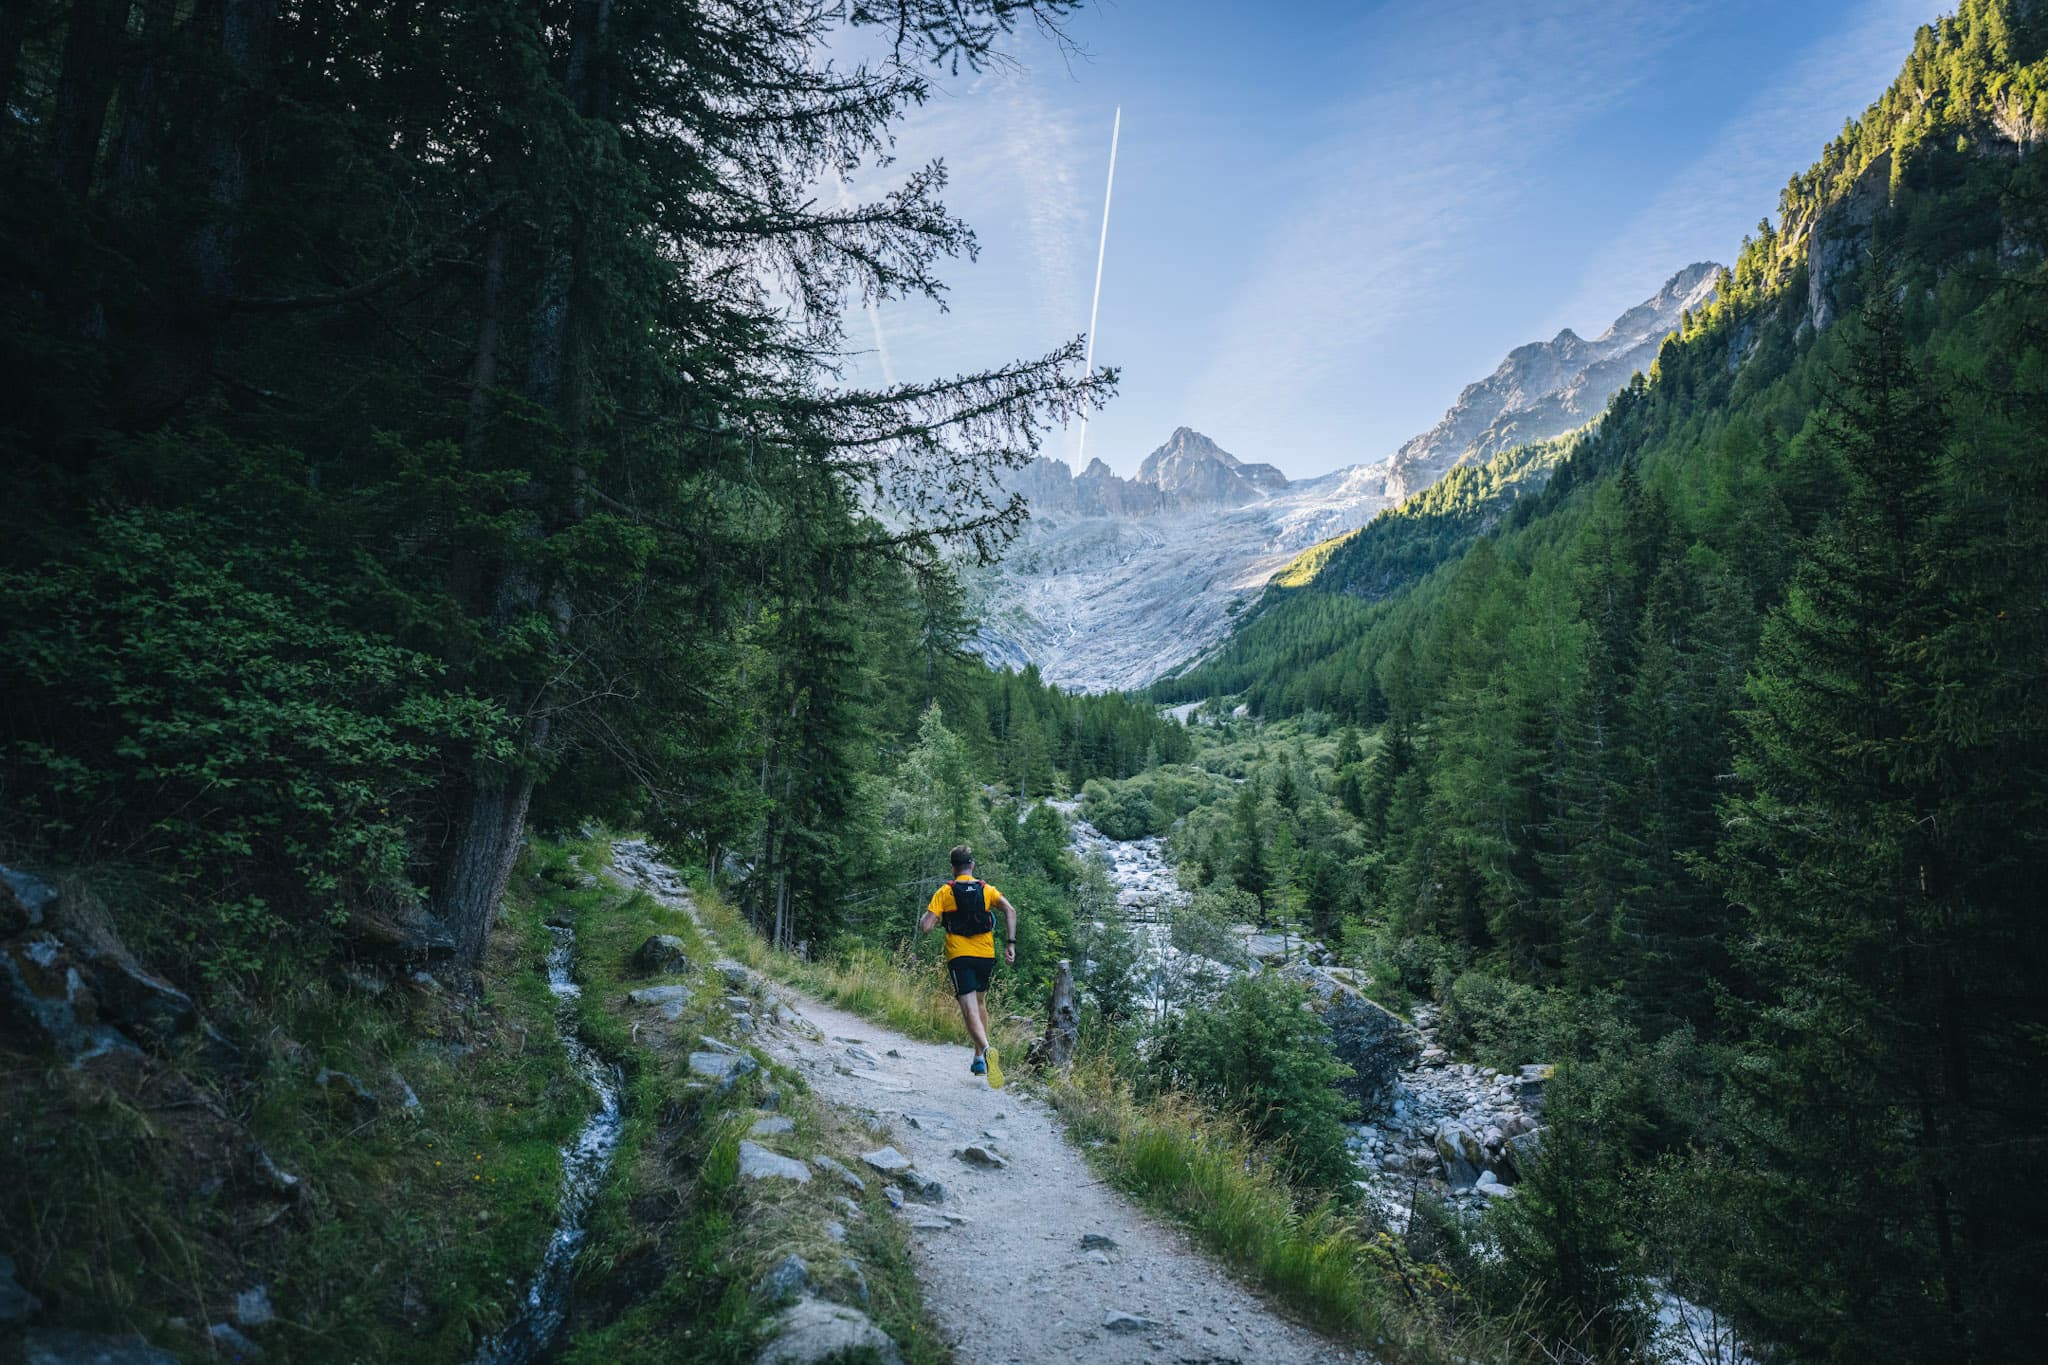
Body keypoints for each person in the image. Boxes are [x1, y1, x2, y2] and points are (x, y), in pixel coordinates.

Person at [919, 843, 1016, 1082]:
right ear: (972, 865)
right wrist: (1010, 944)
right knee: (980, 1003)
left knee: (968, 1008)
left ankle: (986, 1049)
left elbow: (926, 927)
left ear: (953, 868)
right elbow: (1010, 910)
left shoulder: (946, 892)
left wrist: (928, 914)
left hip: (959, 955)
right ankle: (978, 1059)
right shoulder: (987, 889)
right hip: (985, 955)